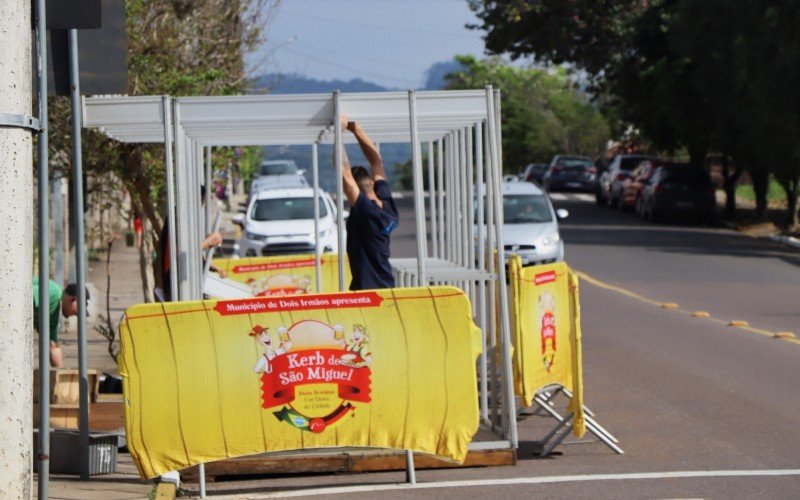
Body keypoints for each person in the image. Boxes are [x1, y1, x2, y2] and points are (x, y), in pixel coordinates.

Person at [338, 115, 399, 290]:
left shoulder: (365, 210)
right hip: (386, 284)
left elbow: (345, 174)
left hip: (366, 289)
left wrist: (339, 132)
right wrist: (356, 129)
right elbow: (376, 162)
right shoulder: (387, 206)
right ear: (372, 183)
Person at [158, 186, 225, 301]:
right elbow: (182, 251)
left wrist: (211, 267)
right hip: (177, 288)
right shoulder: (177, 219)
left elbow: (190, 251)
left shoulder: (181, 218)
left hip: (181, 285)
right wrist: (209, 242)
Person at [33, 278, 88, 368]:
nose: (75, 315)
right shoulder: (54, 293)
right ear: (73, 299)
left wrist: (60, 373)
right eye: (77, 312)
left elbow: (52, 346)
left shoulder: (53, 314)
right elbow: (23, 295)